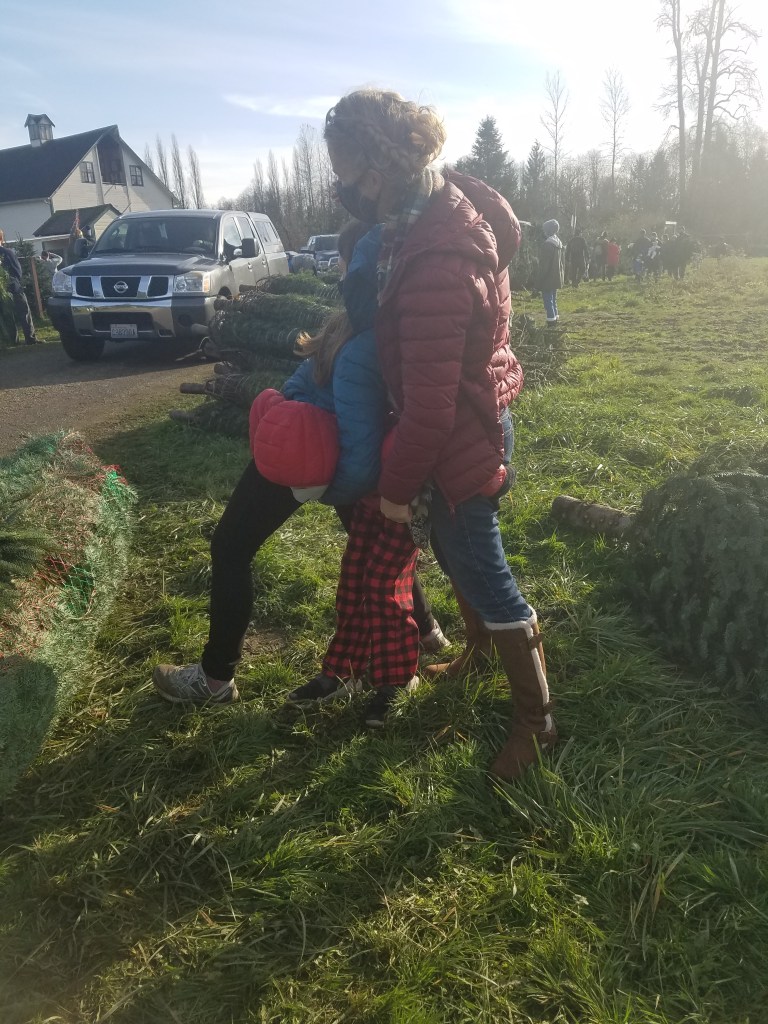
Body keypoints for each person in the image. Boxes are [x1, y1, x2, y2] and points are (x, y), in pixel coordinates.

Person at [322, 88, 556, 779]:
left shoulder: (436, 260)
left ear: (380, 171)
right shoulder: (427, 215)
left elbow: (430, 409)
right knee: (457, 554)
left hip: (459, 435)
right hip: (464, 418)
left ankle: (538, 722)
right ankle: (479, 648)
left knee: (482, 566)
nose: (343, 191)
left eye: (347, 175)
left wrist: (395, 492)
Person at [152, 220, 448, 706]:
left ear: (364, 269)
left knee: (230, 546)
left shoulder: (361, 344)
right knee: (371, 547)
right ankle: (429, 631)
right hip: (320, 442)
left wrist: (321, 484)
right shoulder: (372, 326)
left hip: (307, 449)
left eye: (345, 263)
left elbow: (357, 449)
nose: (339, 273)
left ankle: (214, 678)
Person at [0, 229, 39, 344]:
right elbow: (17, 270)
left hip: (2, 290)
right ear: (1, 238)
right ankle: (30, 338)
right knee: (24, 311)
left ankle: (13, 340)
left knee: (8, 315)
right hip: (14, 286)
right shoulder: (7, 252)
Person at [536, 219, 564, 325]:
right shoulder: (558, 244)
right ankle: (555, 318)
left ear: (548, 230)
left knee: (548, 301)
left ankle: (551, 322)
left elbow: (544, 266)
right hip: (557, 276)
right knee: (553, 299)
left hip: (548, 277)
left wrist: (538, 282)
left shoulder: (547, 245)